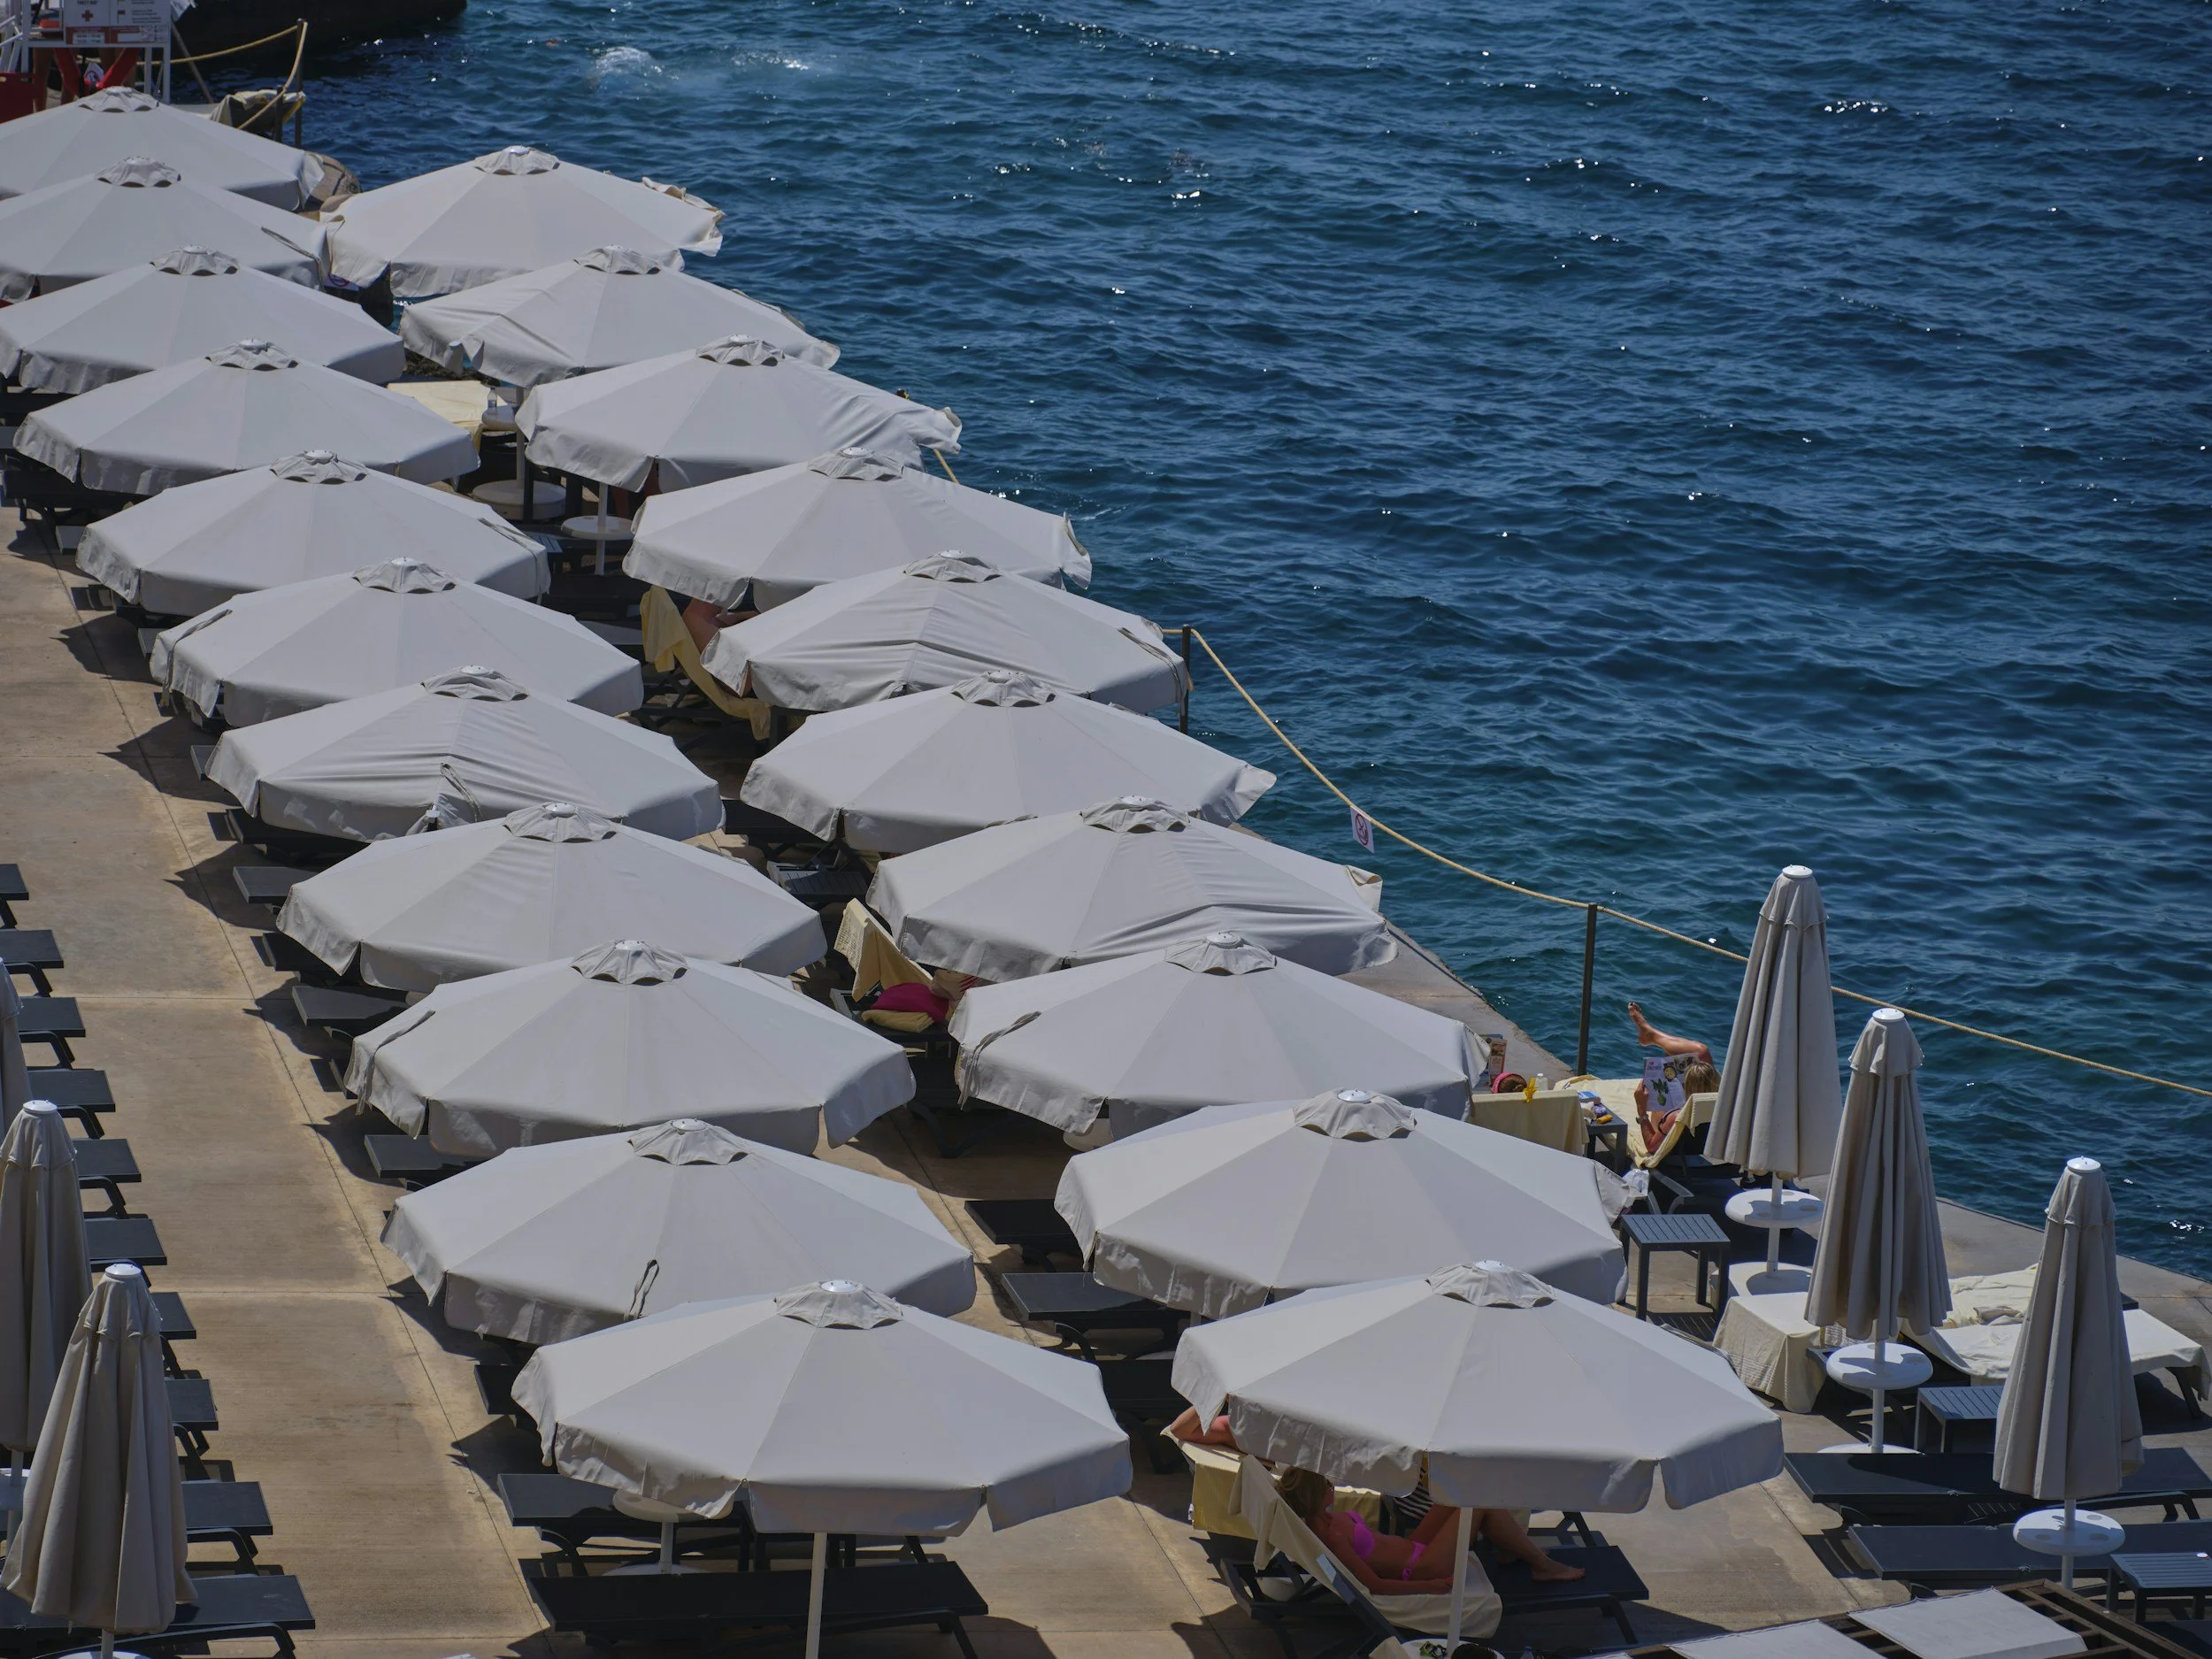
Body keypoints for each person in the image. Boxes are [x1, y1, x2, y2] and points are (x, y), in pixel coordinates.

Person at [1274, 1468, 1585, 1595]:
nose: (1333, 1486)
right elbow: (1375, 1586)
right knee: (1476, 1504)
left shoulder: (1328, 1522)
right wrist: (1432, 1586)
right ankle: (1542, 1566)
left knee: (1461, 1493)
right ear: (1315, 1498)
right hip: (1420, 1568)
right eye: (1327, 1485)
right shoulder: (1333, 1537)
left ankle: (1511, 1547)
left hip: (1413, 1547)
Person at [1627, 1002, 1721, 1144]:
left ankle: (1651, 1035)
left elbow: (1652, 1147)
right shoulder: (1724, 1111)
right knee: (1701, 1054)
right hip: (1720, 1163)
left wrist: (1641, 1109)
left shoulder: (1676, 1116)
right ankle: (1651, 1035)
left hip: (1678, 1163)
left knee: (1686, 1055)